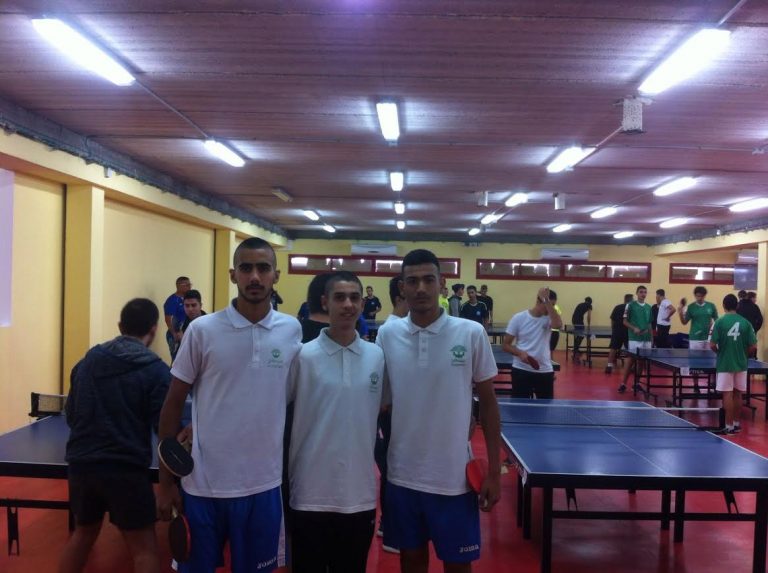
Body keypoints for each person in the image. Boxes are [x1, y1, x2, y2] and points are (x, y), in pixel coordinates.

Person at [156, 237, 302, 573]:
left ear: (276, 275)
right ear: (233, 274)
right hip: (203, 486)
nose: (255, 276)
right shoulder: (202, 330)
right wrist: (165, 483)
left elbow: (288, 396)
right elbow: (172, 405)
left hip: (264, 485)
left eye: (263, 268)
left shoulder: (291, 330)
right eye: (246, 268)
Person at [375, 249, 501, 573]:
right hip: (402, 475)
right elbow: (380, 403)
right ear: (402, 287)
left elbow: (488, 404)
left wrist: (494, 472)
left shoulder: (470, 332)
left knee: (458, 566)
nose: (420, 288)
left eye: (428, 280)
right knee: (411, 562)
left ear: (442, 284)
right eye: (412, 281)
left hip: (454, 478)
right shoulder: (387, 334)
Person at [60, 298, 170, 573]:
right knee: (144, 549)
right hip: (126, 469)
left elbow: (71, 415)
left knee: (82, 534)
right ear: (154, 329)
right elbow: (164, 430)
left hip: (82, 466)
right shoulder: (156, 370)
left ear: (120, 326)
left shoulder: (86, 362)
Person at [288, 271, 386, 572]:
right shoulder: (302, 356)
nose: (348, 305)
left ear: (362, 304)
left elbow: (386, 408)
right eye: (339, 297)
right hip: (308, 494)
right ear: (325, 303)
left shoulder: (377, 357)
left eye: (354, 298)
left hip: (359, 496)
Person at [375, 276, 407, 553]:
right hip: (392, 411)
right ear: (400, 296)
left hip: (405, 412)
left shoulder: (407, 327)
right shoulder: (390, 329)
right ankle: (387, 522)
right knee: (391, 466)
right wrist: (386, 404)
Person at [503, 288, 562, 399]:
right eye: (548, 304)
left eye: (553, 305)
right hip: (521, 370)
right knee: (519, 407)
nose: (550, 308)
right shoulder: (518, 318)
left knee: (545, 408)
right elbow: (505, 345)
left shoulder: (549, 319)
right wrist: (519, 353)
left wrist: (547, 301)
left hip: (545, 371)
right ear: (538, 301)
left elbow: (558, 325)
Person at [711, 294, 757, 434]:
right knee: (738, 394)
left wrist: (720, 352)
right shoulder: (746, 323)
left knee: (727, 394)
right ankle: (736, 424)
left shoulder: (719, 322)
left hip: (725, 363)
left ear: (723, 305)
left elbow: (712, 345)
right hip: (741, 363)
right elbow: (753, 346)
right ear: (737, 306)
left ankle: (729, 426)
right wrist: (743, 354)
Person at [618, 286, 652, 393]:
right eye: (641, 292)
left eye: (645, 292)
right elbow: (624, 321)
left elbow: (649, 324)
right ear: (637, 293)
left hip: (646, 339)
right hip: (634, 338)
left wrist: (651, 339)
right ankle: (623, 384)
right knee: (630, 361)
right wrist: (634, 328)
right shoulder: (630, 305)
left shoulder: (649, 307)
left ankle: (636, 384)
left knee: (641, 361)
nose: (643, 294)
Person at [679, 286, 718, 350]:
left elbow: (717, 320)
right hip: (695, 338)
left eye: (701, 296)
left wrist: (713, 329)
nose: (699, 298)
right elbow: (684, 322)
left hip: (708, 338)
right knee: (695, 356)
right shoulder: (691, 307)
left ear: (705, 295)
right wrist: (680, 313)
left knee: (709, 356)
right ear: (695, 295)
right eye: (697, 296)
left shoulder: (711, 306)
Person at [163, 276, 192, 361]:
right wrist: (174, 334)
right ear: (179, 286)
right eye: (187, 284)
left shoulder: (187, 299)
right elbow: (168, 319)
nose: (190, 286)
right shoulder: (172, 300)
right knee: (177, 359)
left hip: (186, 332)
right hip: (175, 334)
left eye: (190, 284)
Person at [606, 294, 633, 374]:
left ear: (625, 299)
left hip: (617, 331)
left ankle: (609, 366)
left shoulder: (617, 307)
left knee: (613, 348)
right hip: (628, 332)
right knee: (630, 350)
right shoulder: (631, 308)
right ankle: (630, 367)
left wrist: (613, 329)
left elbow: (612, 319)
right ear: (631, 300)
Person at [737, 289, 763, 355]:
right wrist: (755, 329)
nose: (755, 300)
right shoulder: (755, 306)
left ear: (739, 297)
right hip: (751, 332)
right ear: (746, 296)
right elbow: (760, 320)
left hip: (739, 332)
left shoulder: (737, 306)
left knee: (740, 353)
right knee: (752, 353)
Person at [571, 296, 592, 362]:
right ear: (590, 302)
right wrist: (589, 325)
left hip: (574, 320)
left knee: (579, 335)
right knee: (581, 335)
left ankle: (576, 350)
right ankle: (575, 351)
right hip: (579, 321)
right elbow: (589, 316)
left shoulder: (580, 304)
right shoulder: (589, 305)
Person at [549, 290, 563, 356]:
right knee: (549, 348)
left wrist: (560, 325)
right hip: (549, 331)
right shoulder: (543, 308)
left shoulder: (556, 307)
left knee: (551, 349)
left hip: (555, 331)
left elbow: (559, 319)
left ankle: (550, 359)